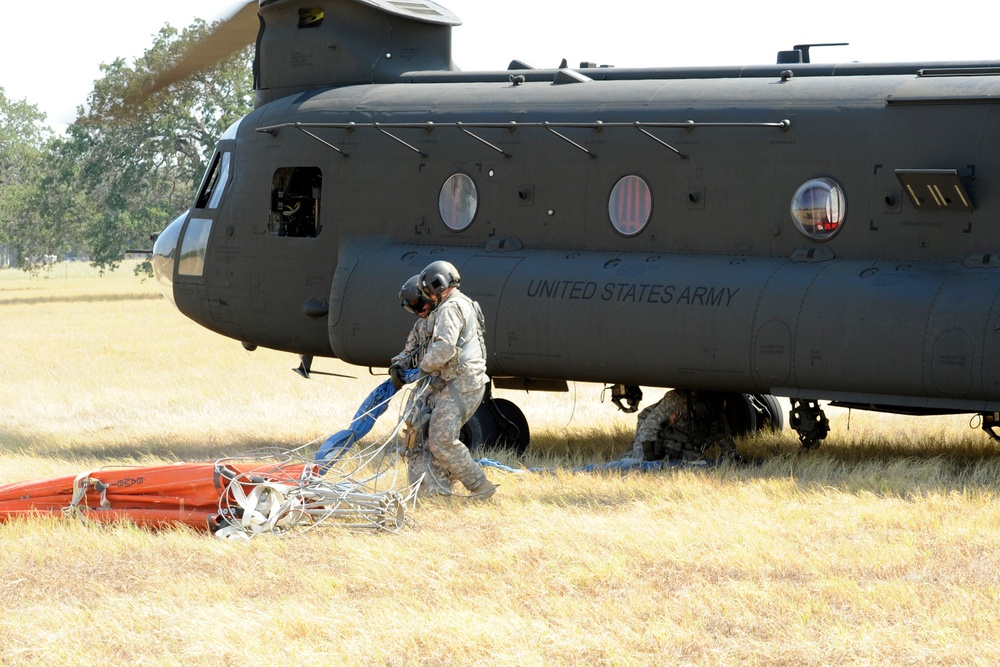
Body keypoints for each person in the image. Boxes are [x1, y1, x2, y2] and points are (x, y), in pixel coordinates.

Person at [406, 260, 496, 498]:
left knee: (441, 440)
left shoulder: (449, 308)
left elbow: (444, 349)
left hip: (461, 384)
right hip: (461, 382)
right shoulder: (461, 304)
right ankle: (436, 494)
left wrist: (421, 369)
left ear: (437, 285)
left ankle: (480, 488)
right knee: (426, 437)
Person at [631, 389, 740, 463]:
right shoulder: (675, 402)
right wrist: (649, 459)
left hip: (681, 439)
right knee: (638, 462)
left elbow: (722, 436)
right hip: (653, 430)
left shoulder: (713, 413)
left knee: (693, 462)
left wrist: (733, 457)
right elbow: (649, 427)